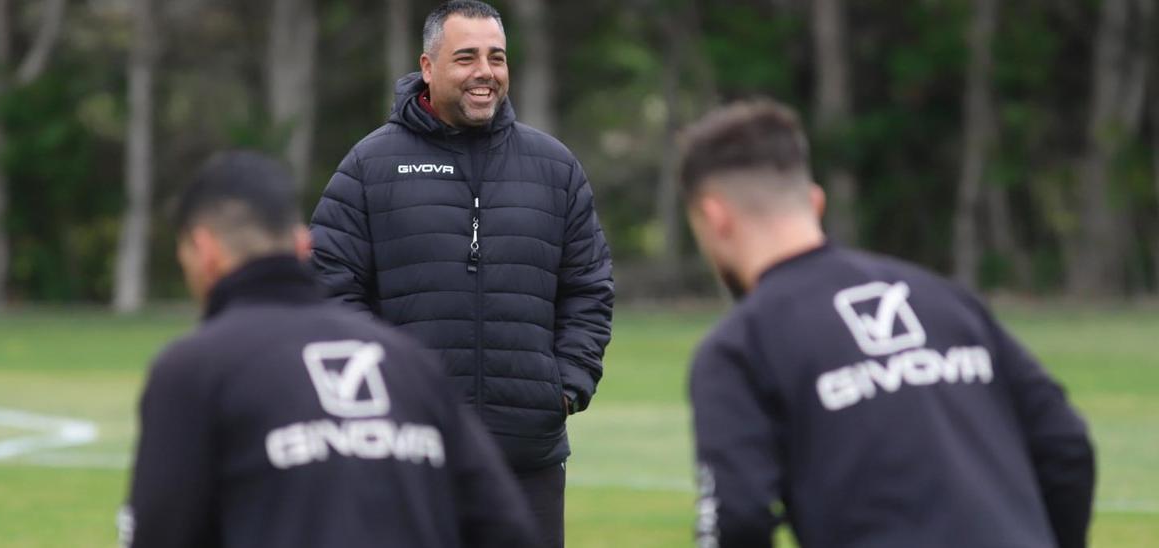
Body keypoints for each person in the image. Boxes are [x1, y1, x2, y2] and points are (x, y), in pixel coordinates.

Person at [678, 100, 1096, 548]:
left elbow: (737, 520)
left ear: (715, 217)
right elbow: (1065, 447)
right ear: (814, 201)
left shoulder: (742, 345)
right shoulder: (944, 300)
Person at [119, 151, 537, 548]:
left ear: (205, 250)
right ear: (303, 246)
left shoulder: (193, 369)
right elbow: (506, 528)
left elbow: (159, 534)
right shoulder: (407, 361)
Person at [309, 2, 613, 545]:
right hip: (404, 458)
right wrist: (385, 392)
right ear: (428, 67)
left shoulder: (555, 167)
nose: (485, 73)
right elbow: (330, 293)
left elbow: (589, 288)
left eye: (496, 58)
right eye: (466, 57)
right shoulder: (369, 166)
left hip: (527, 459)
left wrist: (563, 388)